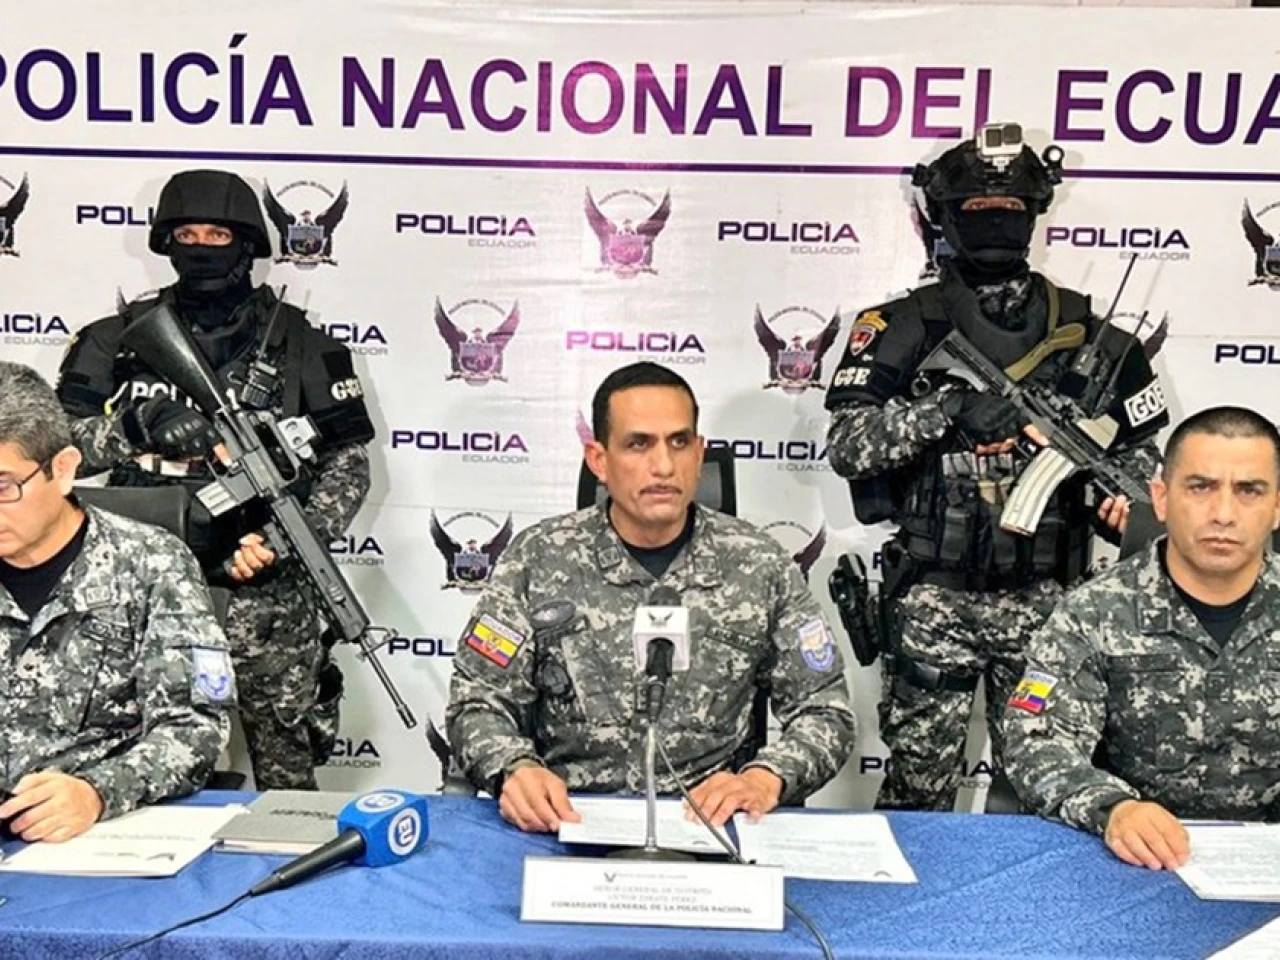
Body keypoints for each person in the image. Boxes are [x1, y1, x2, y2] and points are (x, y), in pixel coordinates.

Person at [824, 122, 1168, 811]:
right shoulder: (900, 326)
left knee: (1050, 791)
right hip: (934, 599)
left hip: (1051, 602)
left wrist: (1117, 502)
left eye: (1009, 209)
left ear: (1034, 214)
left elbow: (1144, 457)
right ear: (943, 216)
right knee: (916, 795)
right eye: (976, 210)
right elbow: (848, 446)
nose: (994, 222)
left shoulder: (1093, 335)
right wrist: (947, 409)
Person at [55, 169, 375, 790]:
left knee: (288, 783)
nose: (201, 248)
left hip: (262, 591)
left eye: (218, 235)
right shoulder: (114, 340)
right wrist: (135, 425)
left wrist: (286, 541)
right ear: (166, 243)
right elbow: (57, 450)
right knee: (132, 770)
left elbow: (348, 462)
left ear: (248, 244)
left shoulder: (303, 344)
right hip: (136, 588)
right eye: (187, 235)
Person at [446, 362, 856, 833]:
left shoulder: (761, 565)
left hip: (710, 827)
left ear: (699, 454)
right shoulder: (537, 559)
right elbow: (477, 701)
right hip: (564, 821)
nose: (663, 466)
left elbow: (825, 710)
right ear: (599, 460)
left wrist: (765, 777)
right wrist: (514, 767)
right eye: (638, 444)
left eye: (679, 442)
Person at [1005, 407, 1280, 870]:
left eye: (1249, 491)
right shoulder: (1093, 612)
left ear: (1277, 508)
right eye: (1200, 487)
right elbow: (1036, 738)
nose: (1224, 514)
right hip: (1128, 860)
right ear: (1162, 498)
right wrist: (1112, 808)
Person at [0, 362, 232, 842]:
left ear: (63, 469)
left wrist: (98, 792)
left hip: (90, 834)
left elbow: (195, 728)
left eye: (4, 487)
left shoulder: (152, 563)